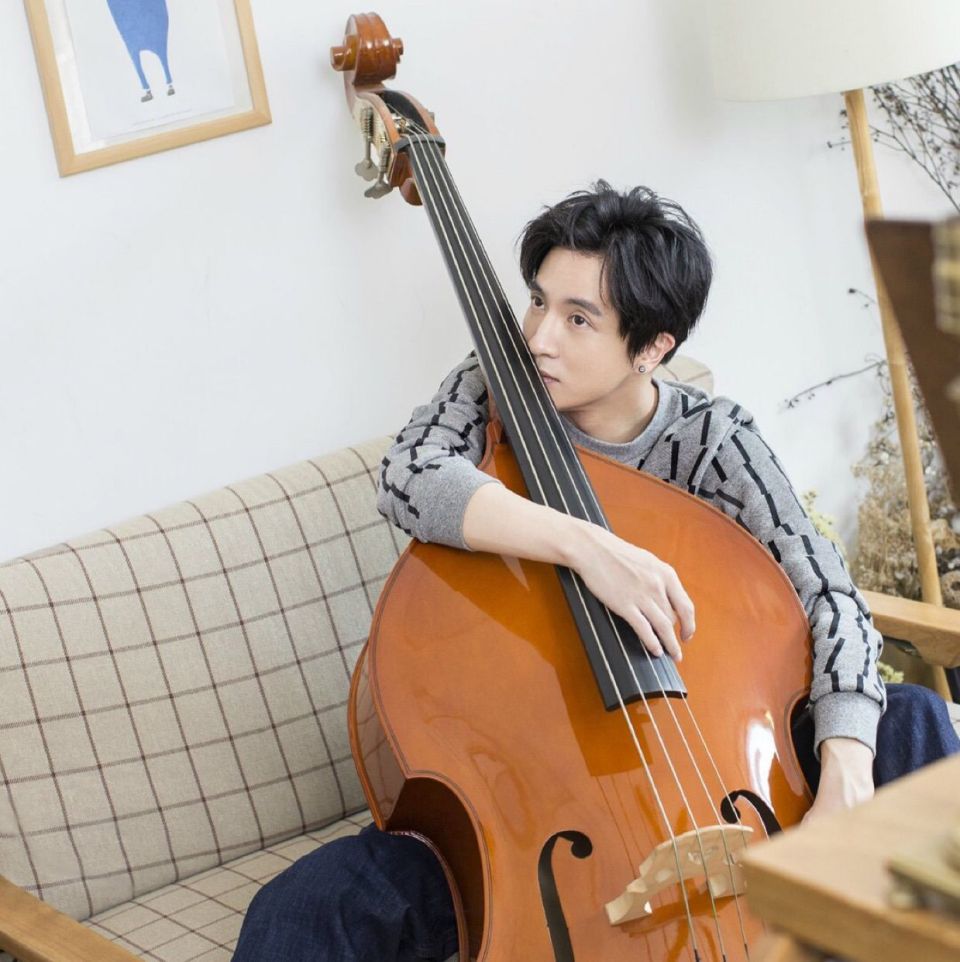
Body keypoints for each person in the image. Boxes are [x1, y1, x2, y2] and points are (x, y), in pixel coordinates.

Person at [233, 182, 958, 962]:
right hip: (541, 792)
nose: (539, 339)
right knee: (307, 905)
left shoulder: (713, 442)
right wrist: (588, 546)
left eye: (579, 319)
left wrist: (845, 772)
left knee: (911, 718)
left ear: (653, 347)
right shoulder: (492, 389)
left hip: (715, 762)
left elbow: (832, 600)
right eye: (538, 302)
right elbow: (408, 476)